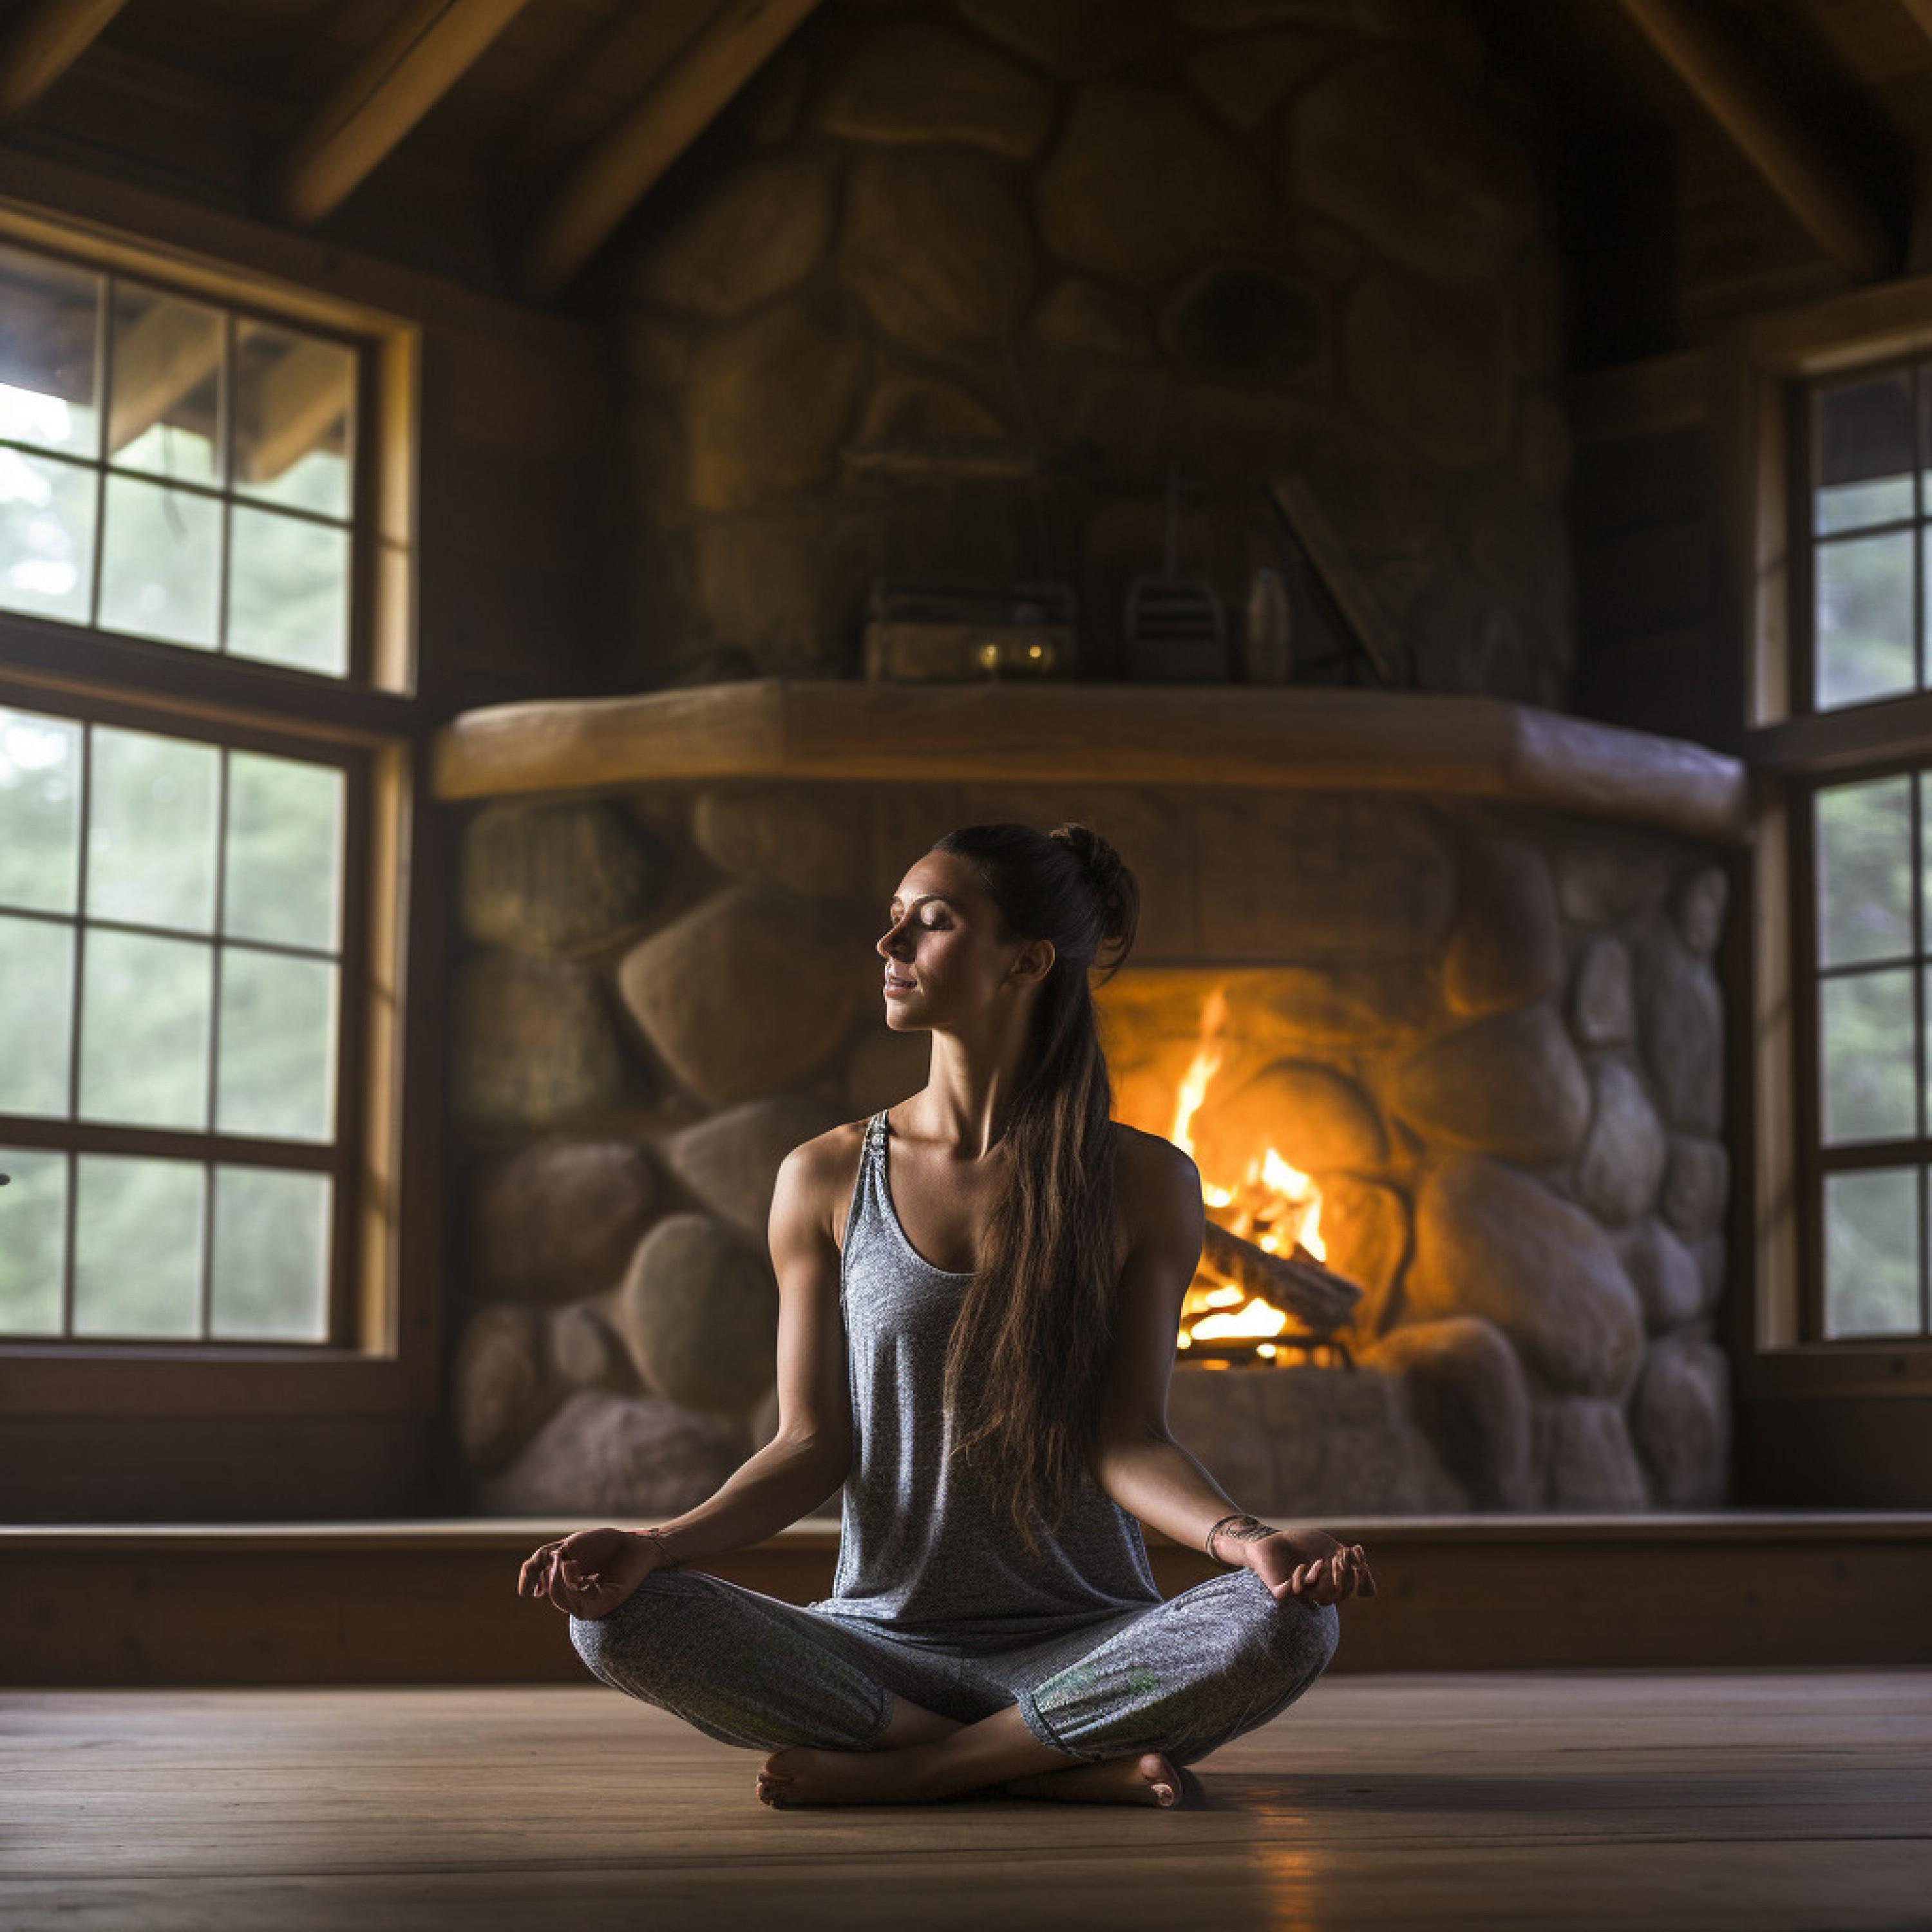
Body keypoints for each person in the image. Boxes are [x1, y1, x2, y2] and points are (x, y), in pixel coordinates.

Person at [516, 821, 1375, 1810]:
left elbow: (1128, 1439)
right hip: (881, 1651)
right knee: (614, 1621)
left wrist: (1244, 1542)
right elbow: (809, 1443)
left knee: (1290, 1623)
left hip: (1087, 1645)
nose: (889, 949)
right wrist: (659, 1544)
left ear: (1026, 961)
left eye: (929, 924)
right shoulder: (826, 1177)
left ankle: (925, 1770)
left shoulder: (1143, 1182)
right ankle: (1056, 1769)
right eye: (891, 923)